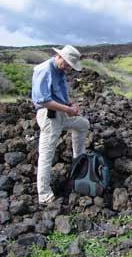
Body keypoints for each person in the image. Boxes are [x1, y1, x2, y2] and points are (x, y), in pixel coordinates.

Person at [31, 45, 89, 205]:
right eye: (67, 64)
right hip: (49, 116)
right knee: (47, 154)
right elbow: (43, 100)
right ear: (59, 57)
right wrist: (67, 109)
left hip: (63, 113)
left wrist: (71, 104)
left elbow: (61, 94)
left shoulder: (60, 70)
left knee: (83, 124)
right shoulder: (44, 71)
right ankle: (44, 194)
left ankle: (79, 159)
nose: (68, 68)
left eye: (71, 66)